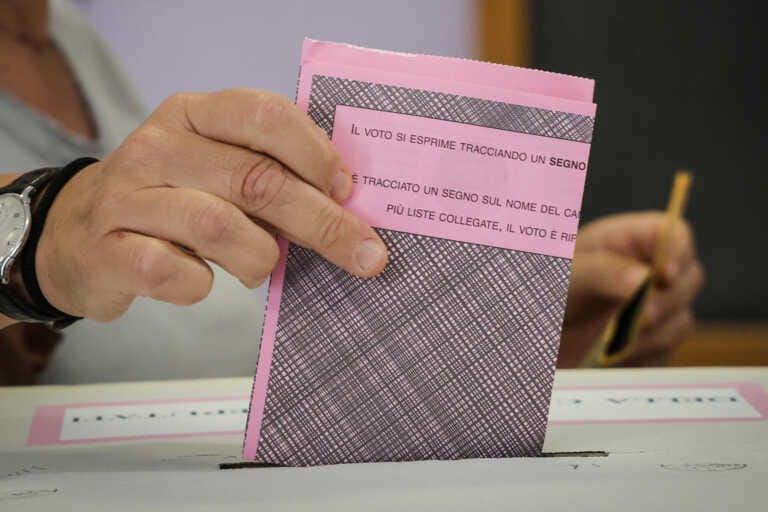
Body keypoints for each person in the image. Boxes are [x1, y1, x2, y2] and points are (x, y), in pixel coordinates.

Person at [0, 0, 704, 384]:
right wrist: (41, 234)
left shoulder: (66, 36)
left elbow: (164, 326)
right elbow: (71, 248)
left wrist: (514, 323)